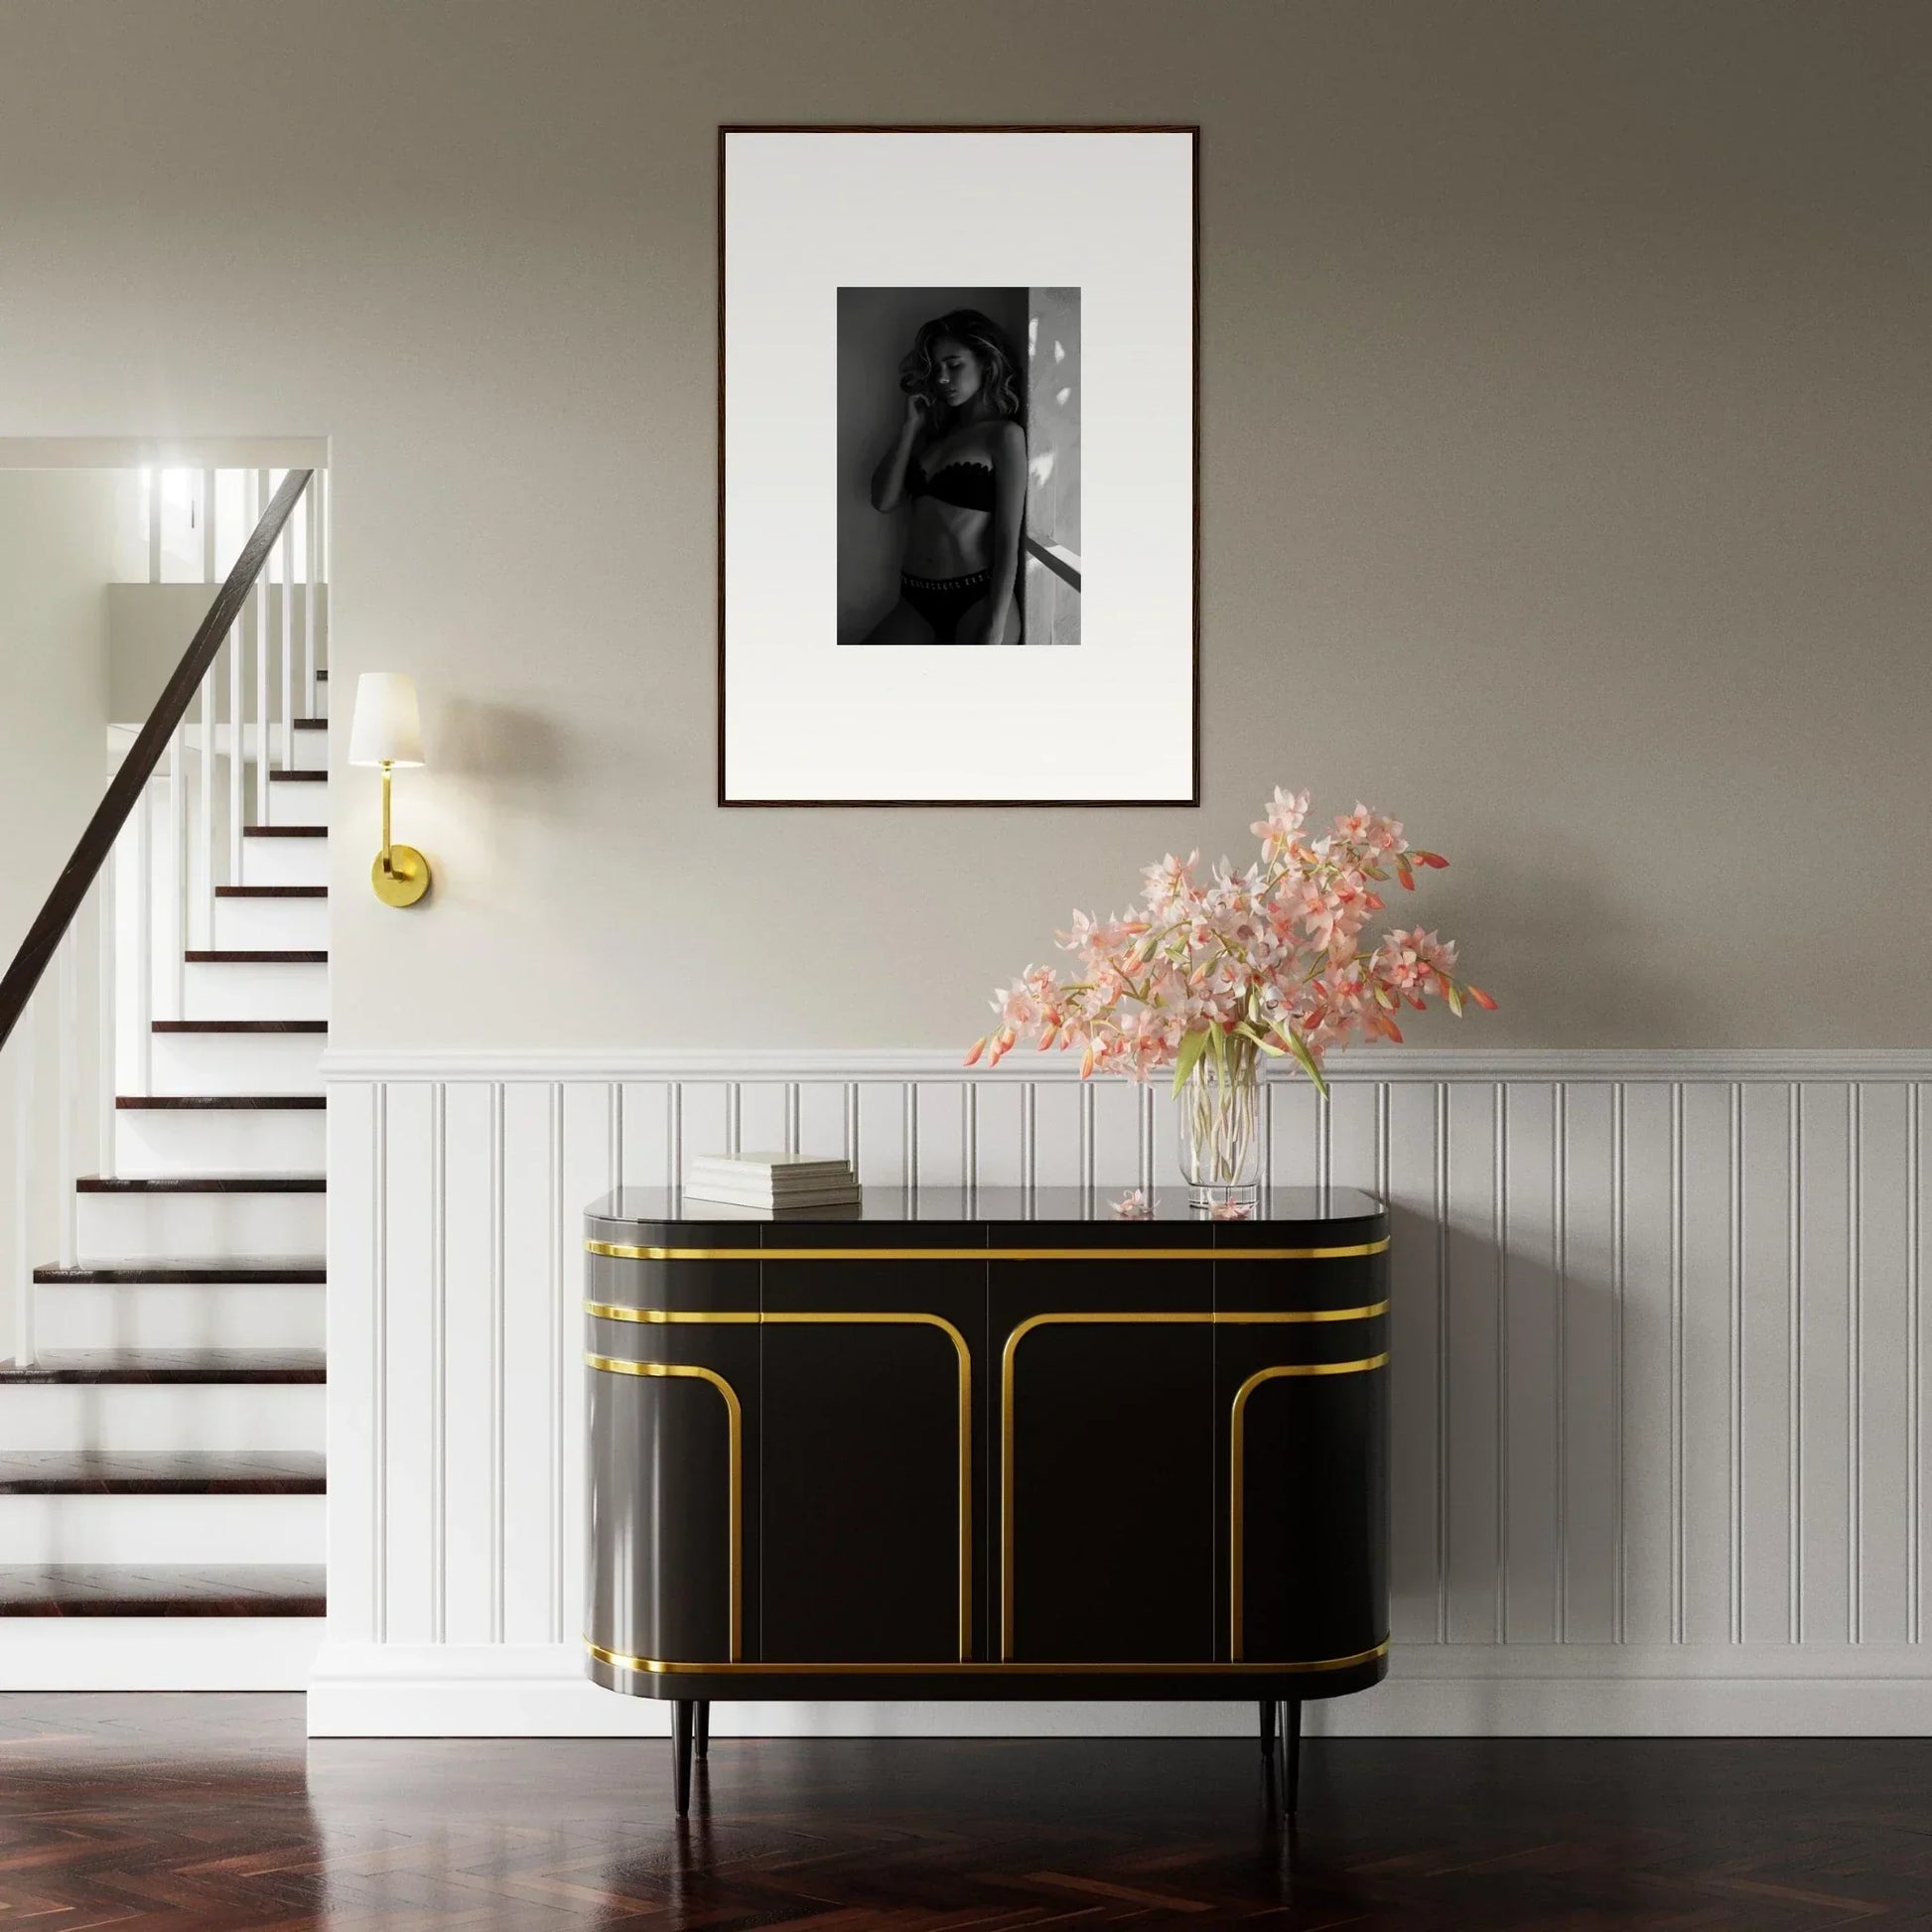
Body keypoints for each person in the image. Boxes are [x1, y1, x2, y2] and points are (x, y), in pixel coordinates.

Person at [860, 309, 1026, 646]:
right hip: (914, 599)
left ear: (985, 362)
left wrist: (994, 625)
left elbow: (1008, 537)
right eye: (936, 369)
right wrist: (910, 429)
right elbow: (883, 501)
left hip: (976, 599)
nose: (942, 378)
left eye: (954, 364)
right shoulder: (934, 438)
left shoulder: (1003, 436)